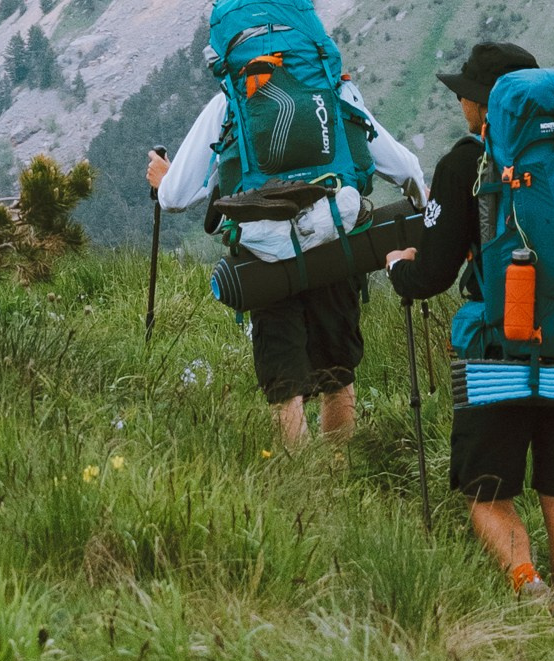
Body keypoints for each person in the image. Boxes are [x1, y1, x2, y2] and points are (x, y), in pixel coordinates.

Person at [389, 36, 554, 615]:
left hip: (499, 352)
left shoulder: (467, 162)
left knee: (486, 492)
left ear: (484, 105)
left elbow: (433, 272)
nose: (461, 105)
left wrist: (400, 271)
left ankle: (526, 584)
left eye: (466, 95)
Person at [148, 46, 424, 450]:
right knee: (337, 372)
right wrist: (422, 197)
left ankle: (303, 488)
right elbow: (401, 166)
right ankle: (337, 476)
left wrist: (164, 178)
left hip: (266, 255)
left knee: (284, 385)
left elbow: (175, 197)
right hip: (334, 243)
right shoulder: (333, 90)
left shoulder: (230, 100)